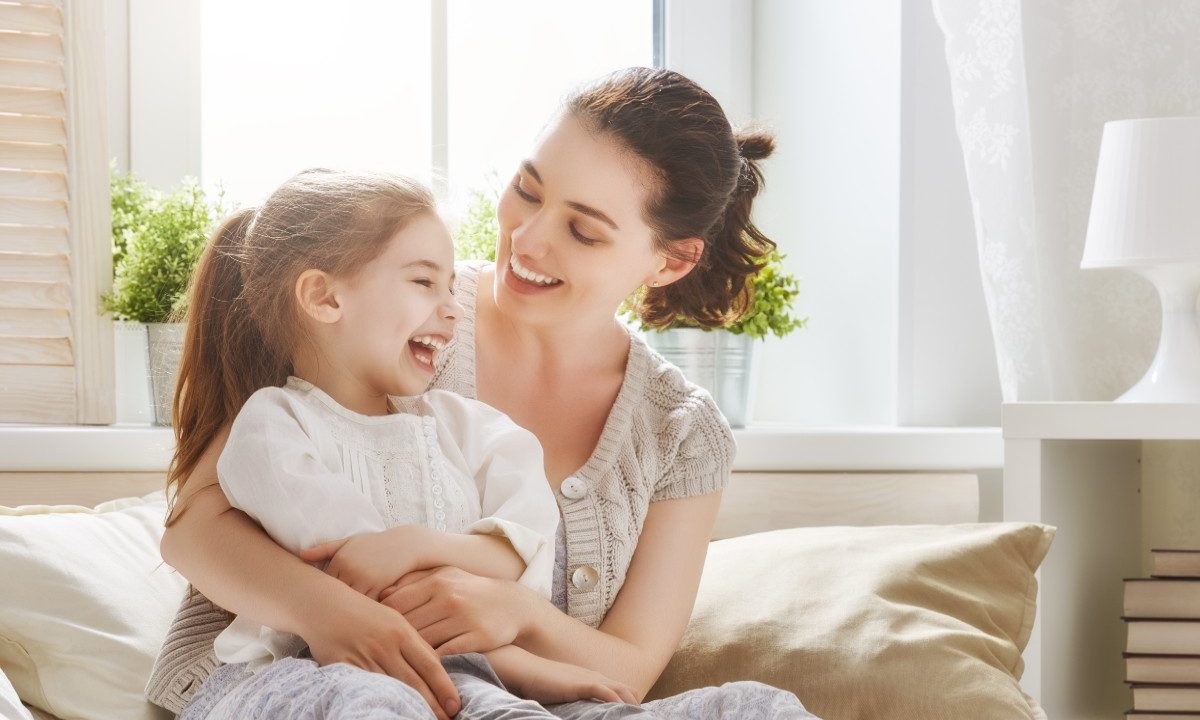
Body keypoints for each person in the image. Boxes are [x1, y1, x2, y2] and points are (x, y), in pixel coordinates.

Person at [148, 67, 819, 719]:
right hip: (287, 682)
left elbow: (624, 671)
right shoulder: (390, 313)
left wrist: (514, 610)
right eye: (527, 190)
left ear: (669, 261)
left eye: (582, 230)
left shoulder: (680, 432)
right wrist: (335, 615)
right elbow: (193, 530)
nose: (526, 239)